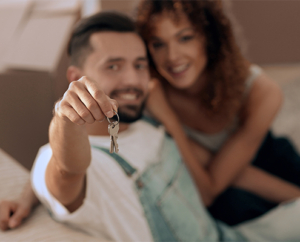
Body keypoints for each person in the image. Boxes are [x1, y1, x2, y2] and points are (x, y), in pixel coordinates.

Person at [2, 10, 300, 242]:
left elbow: (223, 171)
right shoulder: (70, 160)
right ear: (75, 77)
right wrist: (64, 118)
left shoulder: (143, 122)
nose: (132, 80)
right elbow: (65, 171)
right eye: (113, 66)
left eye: (140, 64)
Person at [136, 0, 300, 226]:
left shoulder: (261, 92)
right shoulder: (153, 100)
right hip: (221, 196)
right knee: (231, 205)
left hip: (274, 168)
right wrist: (169, 120)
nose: (172, 56)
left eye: (185, 38)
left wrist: (295, 197)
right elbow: (208, 191)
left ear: (209, 37)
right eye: (158, 44)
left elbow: (232, 176)